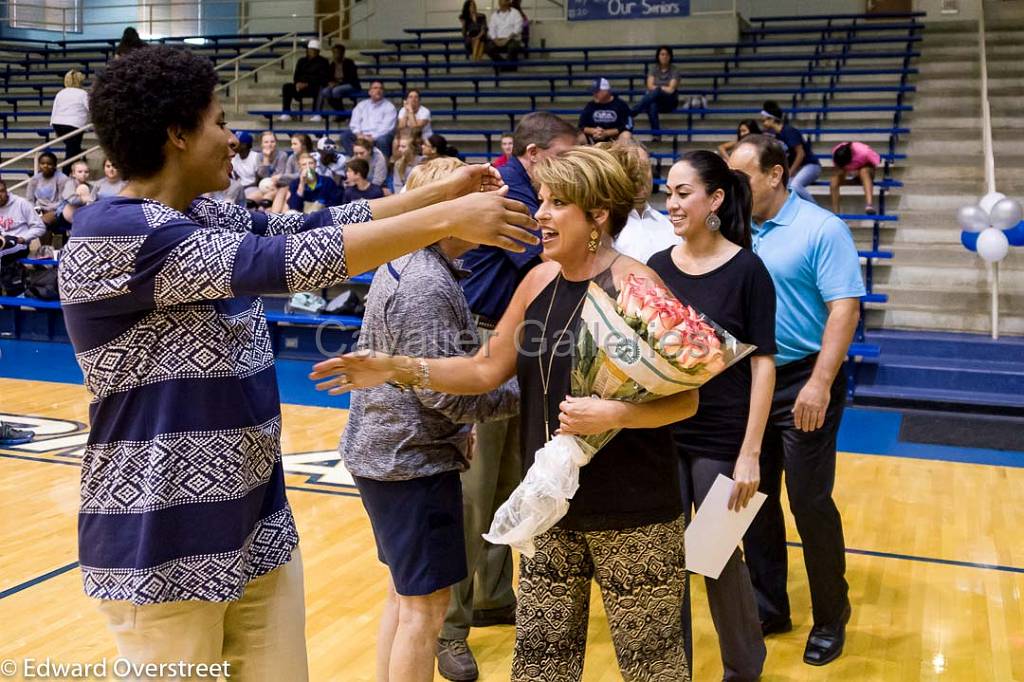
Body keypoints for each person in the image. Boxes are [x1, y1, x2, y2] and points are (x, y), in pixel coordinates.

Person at [63, 44, 538, 679]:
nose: (233, 139)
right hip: (160, 541)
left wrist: (430, 200)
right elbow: (285, 265)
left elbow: (308, 228)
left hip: (256, 528)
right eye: (219, 123)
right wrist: (446, 218)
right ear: (177, 135)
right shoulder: (115, 232)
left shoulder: (201, 212)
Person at [311, 146, 698, 682]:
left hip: (633, 510)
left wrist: (615, 411)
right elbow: (483, 371)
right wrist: (398, 367)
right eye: (540, 200)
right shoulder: (538, 280)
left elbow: (686, 397)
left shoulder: (639, 286)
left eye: (556, 202)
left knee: (651, 666)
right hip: (549, 503)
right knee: (541, 665)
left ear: (597, 215)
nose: (538, 214)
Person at [336, 156, 520, 682]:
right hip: (409, 463)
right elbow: (447, 395)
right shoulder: (426, 284)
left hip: (387, 455)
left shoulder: (414, 267)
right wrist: (525, 393)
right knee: (426, 610)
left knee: (404, 596)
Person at [436, 112, 577, 682]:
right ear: (536, 153)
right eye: (567, 154)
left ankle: (493, 592)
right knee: (474, 492)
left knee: (509, 482)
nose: (573, 163)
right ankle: (449, 627)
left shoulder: (528, 188)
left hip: (515, 340)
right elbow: (549, 262)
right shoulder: (511, 194)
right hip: (482, 337)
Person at [728, 134, 863, 667]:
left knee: (808, 501)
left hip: (805, 378)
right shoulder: (734, 228)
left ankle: (832, 615)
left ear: (776, 174)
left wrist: (820, 383)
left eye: (742, 177)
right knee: (753, 500)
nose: (733, 187)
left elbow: (844, 309)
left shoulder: (821, 228)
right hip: (747, 380)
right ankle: (770, 605)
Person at [647, 150, 775, 682]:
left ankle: (744, 669)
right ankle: (671, 669)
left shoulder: (748, 269)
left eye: (683, 193)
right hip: (658, 436)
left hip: (722, 440)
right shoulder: (654, 266)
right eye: (668, 193)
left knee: (715, 558)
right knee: (661, 563)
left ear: (715, 200)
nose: (671, 203)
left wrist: (750, 453)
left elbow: (764, 364)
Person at [602, 141, 679, 262]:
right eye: (631, 169)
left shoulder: (668, 225)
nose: (639, 176)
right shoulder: (603, 227)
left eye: (644, 167)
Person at [760, 100, 821, 203]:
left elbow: (801, 154)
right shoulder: (776, 135)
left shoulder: (789, 131)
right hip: (797, 169)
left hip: (811, 166)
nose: (763, 123)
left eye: (765, 120)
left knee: (795, 185)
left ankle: (818, 212)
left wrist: (790, 172)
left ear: (772, 119)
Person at [0, 177, 46, 295]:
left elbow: (40, 227)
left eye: (1, 191)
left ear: (6, 190)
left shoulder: (21, 203)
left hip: (19, 244)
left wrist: (23, 238)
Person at [631, 46, 680, 140]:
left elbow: (671, 90)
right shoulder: (654, 69)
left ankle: (633, 112)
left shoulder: (674, 70)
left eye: (667, 54)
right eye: (662, 54)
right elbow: (649, 86)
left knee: (656, 91)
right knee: (652, 105)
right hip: (657, 101)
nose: (664, 57)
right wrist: (662, 88)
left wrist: (658, 88)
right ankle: (656, 134)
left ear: (670, 56)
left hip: (670, 101)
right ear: (658, 56)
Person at [341, 81, 398, 158]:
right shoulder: (362, 105)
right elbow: (354, 123)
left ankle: (383, 165)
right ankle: (357, 160)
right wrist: (359, 134)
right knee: (346, 136)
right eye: (375, 88)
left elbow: (387, 128)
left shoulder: (389, 107)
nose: (378, 90)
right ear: (370, 92)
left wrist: (372, 137)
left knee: (382, 140)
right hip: (361, 135)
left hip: (379, 136)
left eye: (380, 88)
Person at [279, 39, 330, 121]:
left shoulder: (323, 62)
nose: (311, 52)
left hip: (314, 86)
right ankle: (286, 112)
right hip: (301, 86)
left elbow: (323, 78)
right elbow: (296, 75)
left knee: (320, 88)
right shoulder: (301, 61)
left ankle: (316, 114)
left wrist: (307, 84)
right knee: (287, 87)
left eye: (313, 50)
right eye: (310, 49)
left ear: (317, 51)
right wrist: (297, 83)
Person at [50, 69, 90, 173]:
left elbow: (55, 109)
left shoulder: (61, 93)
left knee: (73, 149)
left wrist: (54, 126)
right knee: (72, 151)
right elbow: (90, 107)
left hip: (58, 123)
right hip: (74, 124)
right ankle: (67, 173)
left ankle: (75, 170)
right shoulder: (82, 93)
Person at [831, 141, 882, 215]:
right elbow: (837, 168)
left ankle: (869, 205)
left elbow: (878, 161)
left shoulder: (865, 152)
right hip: (848, 172)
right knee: (834, 180)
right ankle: (836, 213)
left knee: (864, 171)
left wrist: (859, 170)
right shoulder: (836, 152)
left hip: (865, 171)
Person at [578, 78, 633, 144]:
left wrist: (606, 133)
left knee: (626, 135)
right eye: (593, 92)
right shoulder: (590, 105)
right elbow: (581, 126)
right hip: (594, 137)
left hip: (615, 139)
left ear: (605, 91)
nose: (594, 94)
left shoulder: (621, 105)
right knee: (579, 137)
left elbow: (628, 126)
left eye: (597, 92)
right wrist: (594, 131)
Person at [272, 133, 314, 213]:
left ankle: (281, 216)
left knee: (285, 190)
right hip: (293, 184)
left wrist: (281, 177)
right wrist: (280, 179)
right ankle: (275, 216)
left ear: (304, 145)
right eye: (292, 144)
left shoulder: (312, 157)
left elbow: (306, 174)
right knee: (282, 189)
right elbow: (287, 176)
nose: (292, 147)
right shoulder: (292, 157)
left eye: (295, 144)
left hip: (309, 184)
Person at [27, 151, 68, 230]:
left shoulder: (62, 179)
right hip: (39, 209)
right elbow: (30, 200)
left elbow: (63, 201)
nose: (45, 166)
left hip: (57, 210)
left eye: (49, 164)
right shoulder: (34, 180)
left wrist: (48, 210)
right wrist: (38, 211)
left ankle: (45, 243)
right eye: (42, 163)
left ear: (55, 165)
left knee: (41, 223)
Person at [317, 43, 361, 113]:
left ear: (343, 53)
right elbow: (328, 77)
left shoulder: (349, 63)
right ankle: (341, 111)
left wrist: (338, 83)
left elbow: (351, 78)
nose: (336, 55)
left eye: (338, 52)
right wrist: (330, 82)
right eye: (334, 53)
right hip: (336, 84)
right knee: (325, 91)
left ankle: (340, 114)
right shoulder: (332, 64)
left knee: (336, 91)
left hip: (350, 84)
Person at [250, 131, 290, 205]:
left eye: (272, 142)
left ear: (276, 143)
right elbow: (262, 176)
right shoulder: (259, 156)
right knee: (250, 200)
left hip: (278, 186)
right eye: (266, 142)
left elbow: (279, 175)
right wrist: (266, 158)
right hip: (263, 185)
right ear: (261, 144)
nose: (269, 144)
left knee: (265, 201)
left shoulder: (282, 155)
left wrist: (270, 185)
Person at [486, 0, 524, 71]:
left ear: (508, 2)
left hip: (511, 39)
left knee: (513, 47)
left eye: (504, 1)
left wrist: (506, 40)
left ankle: (503, 66)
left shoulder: (515, 13)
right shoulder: (494, 15)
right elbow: (491, 29)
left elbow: (518, 28)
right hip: (498, 40)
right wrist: (495, 40)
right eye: (500, 1)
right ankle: (505, 65)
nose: (502, 2)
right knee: (488, 48)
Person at [57, 160, 94, 232]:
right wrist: (83, 199)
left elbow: (93, 199)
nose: (83, 174)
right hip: (64, 215)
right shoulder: (70, 184)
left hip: (81, 214)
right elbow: (71, 200)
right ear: (73, 174)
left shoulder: (90, 186)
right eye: (80, 172)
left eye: (86, 172)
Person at [230, 131, 260, 199]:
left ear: (245, 145)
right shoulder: (234, 158)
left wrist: (242, 188)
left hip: (253, 188)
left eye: (237, 143)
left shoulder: (256, 157)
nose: (234, 146)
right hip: (239, 188)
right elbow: (236, 178)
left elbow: (258, 182)